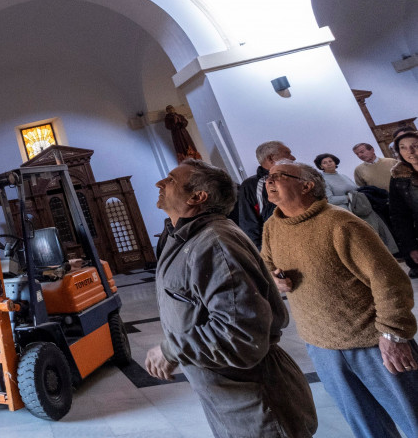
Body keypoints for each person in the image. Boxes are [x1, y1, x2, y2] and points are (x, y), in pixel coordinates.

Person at [145, 159, 316, 438]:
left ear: (197, 197)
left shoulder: (215, 243)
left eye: (171, 180)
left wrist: (172, 349)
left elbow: (241, 332)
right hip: (228, 396)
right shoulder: (184, 239)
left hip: (255, 400)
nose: (159, 184)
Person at [262, 160, 418, 438]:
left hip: (373, 344)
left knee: (413, 419)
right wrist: (274, 278)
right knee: (367, 429)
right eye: (268, 177)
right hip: (321, 346)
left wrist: (394, 335)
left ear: (307, 185)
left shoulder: (340, 224)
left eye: (278, 176)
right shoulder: (273, 226)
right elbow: (267, 264)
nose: (269, 181)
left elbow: (390, 281)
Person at [236, 141, 295, 249]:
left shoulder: (299, 178)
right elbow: (249, 225)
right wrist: (265, 258)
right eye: (287, 153)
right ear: (271, 158)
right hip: (280, 250)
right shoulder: (250, 186)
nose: (293, 158)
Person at [389, 130, 418, 279]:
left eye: (415, 145)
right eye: (403, 147)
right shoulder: (399, 178)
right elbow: (400, 216)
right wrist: (411, 247)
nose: (410, 151)